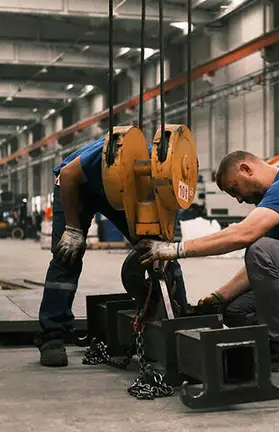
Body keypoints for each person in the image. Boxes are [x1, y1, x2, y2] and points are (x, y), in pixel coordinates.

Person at [137, 150, 279, 371]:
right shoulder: (275, 203)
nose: (239, 199)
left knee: (259, 248)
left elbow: (245, 236)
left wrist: (176, 249)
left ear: (246, 169)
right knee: (234, 310)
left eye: (235, 188)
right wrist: (218, 297)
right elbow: (262, 266)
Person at [37, 136, 186, 367]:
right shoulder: (116, 153)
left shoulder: (171, 184)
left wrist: (158, 251)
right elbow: (67, 175)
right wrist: (73, 229)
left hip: (120, 194)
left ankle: (181, 317)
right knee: (68, 255)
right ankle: (52, 336)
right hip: (78, 185)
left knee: (162, 252)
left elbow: (163, 238)